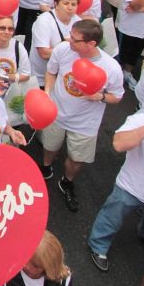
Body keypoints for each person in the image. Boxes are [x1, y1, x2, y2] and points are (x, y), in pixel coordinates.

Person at [88, 93, 144, 272]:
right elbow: (118, 144)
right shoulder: (141, 120)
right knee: (112, 217)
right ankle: (98, 245)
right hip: (131, 188)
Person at [41, 18, 124, 211]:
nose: (68, 40)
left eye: (74, 39)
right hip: (56, 113)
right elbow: (51, 72)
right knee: (50, 145)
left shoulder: (111, 67)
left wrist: (100, 96)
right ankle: (46, 166)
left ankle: (67, 181)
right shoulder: (63, 50)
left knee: (77, 159)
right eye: (70, 36)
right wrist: (47, 93)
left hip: (85, 123)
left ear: (91, 43)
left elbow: (117, 97)